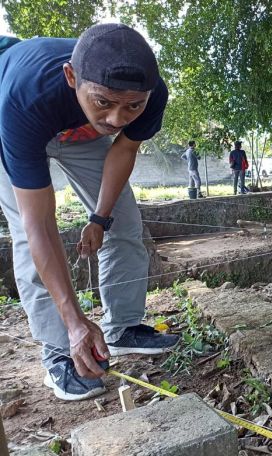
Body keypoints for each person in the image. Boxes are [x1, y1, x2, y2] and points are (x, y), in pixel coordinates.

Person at [0, 24, 179, 401]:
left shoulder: (152, 93)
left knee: (124, 220)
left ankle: (123, 327)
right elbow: (40, 225)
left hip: (78, 130)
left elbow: (123, 149)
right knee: (25, 234)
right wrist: (74, 318)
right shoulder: (24, 96)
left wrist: (99, 218)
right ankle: (61, 349)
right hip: (17, 122)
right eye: (105, 102)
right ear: (71, 76)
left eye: (133, 105)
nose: (117, 118)